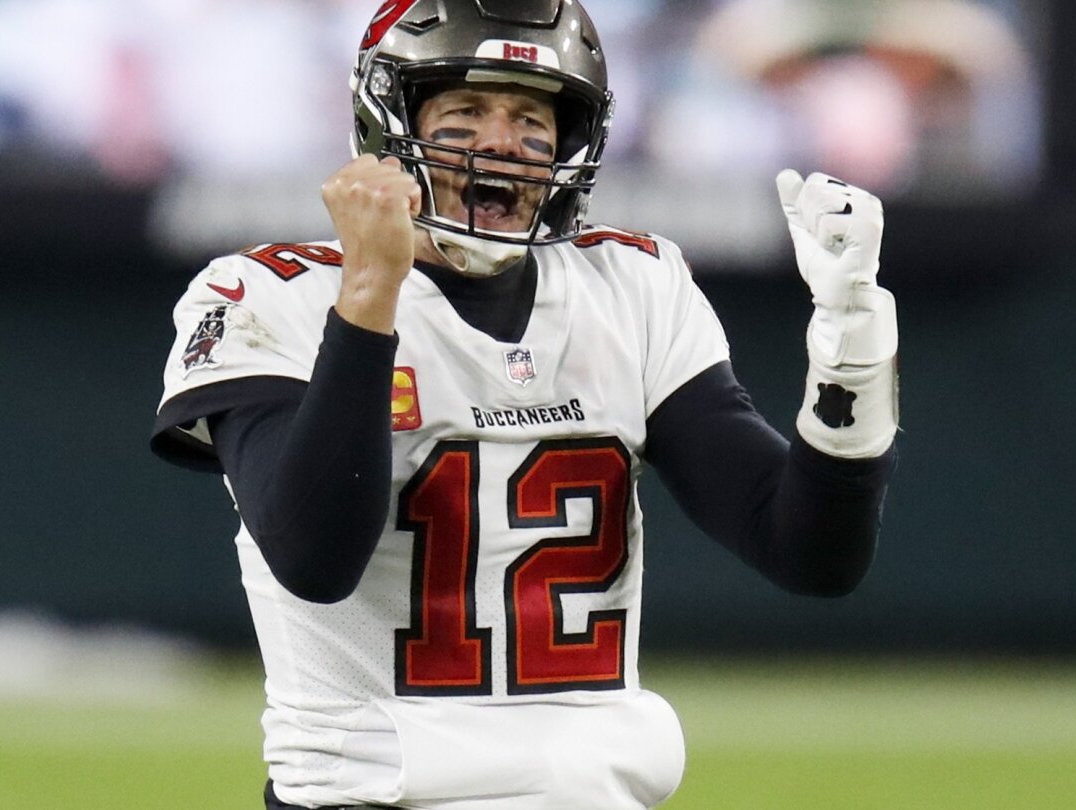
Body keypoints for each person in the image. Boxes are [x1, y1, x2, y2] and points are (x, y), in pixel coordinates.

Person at [150, 0, 898, 807]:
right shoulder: (272, 295)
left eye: (531, 117)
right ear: (390, 120)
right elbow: (313, 558)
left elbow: (809, 553)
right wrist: (369, 298)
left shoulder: (631, 287)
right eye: (466, 111)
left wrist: (851, 355)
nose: (503, 142)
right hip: (375, 796)